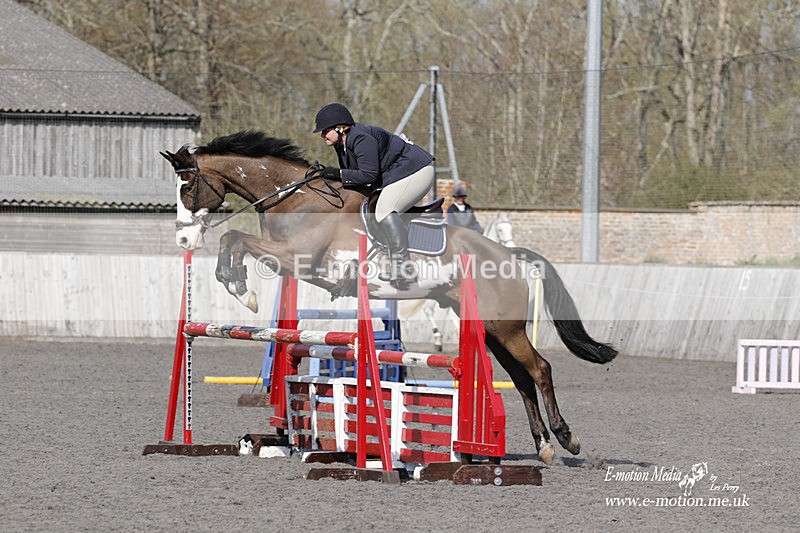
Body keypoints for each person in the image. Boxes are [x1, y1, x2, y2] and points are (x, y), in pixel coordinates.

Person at [313, 103, 435, 287]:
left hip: (416, 171)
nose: (322, 135)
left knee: (383, 210)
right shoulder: (342, 145)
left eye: (325, 130)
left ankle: (404, 268)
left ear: (340, 128)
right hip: (399, 174)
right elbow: (355, 178)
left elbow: (369, 175)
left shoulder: (360, 138)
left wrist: (338, 174)